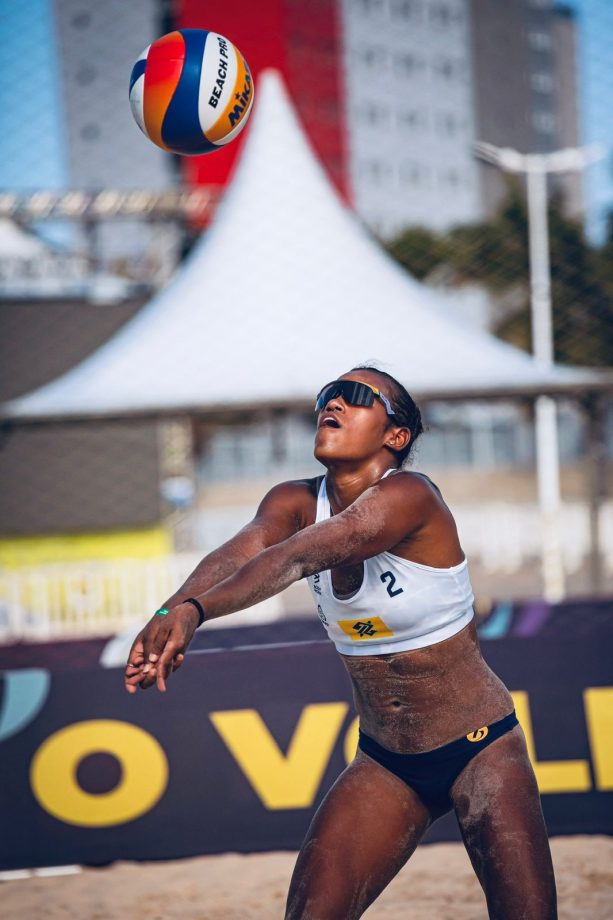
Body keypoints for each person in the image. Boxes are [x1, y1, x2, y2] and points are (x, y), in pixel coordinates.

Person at [124, 365, 557, 920]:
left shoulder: (409, 494)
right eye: (328, 396)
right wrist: (171, 611)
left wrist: (197, 612)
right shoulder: (295, 500)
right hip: (387, 761)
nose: (333, 404)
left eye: (355, 397)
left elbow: (299, 556)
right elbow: (242, 552)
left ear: (395, 436)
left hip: (479, 746)